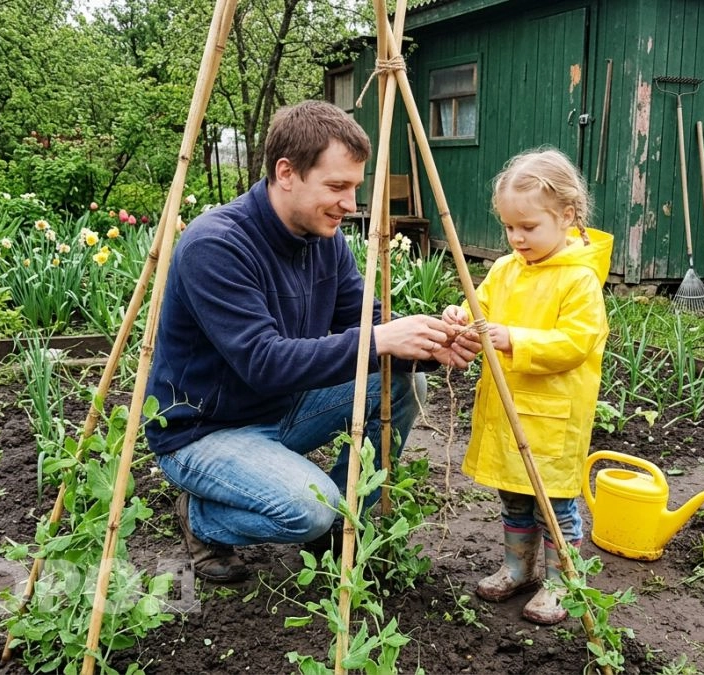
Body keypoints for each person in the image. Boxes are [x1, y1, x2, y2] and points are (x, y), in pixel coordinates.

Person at [146, 100, 481, 583]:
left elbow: (367, 320)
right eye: (337, 186)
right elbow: (263, 362)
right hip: (204, 432)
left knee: (404, 384)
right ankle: (202, 519)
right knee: (310, 509)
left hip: (280, 407)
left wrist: (431, 345)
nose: (350, 203)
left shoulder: (324, 241)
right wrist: (382, 338)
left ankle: (344, 529)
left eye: (355, 188)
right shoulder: (216, 245)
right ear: (286, 173)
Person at [441, 147, 612, 625]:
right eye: (509, 227)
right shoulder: (504, 270)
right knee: (514, 497)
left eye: (529, 227)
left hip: (552, 417)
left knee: (554, 505)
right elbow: (484, 314)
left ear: (567, 216)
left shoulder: (579, 281)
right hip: (507, 411)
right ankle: (518, 568)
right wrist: (461, 318)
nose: (517, 238)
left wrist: (513, 339)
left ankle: (562, 582)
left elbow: (575, 344)